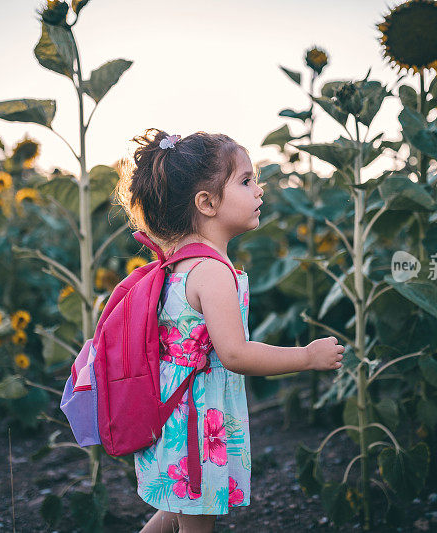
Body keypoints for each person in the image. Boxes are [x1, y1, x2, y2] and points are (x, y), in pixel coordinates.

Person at [114, 128, 344, 533]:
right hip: (197, 419)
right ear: (207, 203)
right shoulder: (212, 273)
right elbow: (235, 354)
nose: (260, 189)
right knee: (196, 519)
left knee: (177, 508)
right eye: (246, 180)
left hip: (176, 411)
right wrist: (307, 357)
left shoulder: (180, 263)